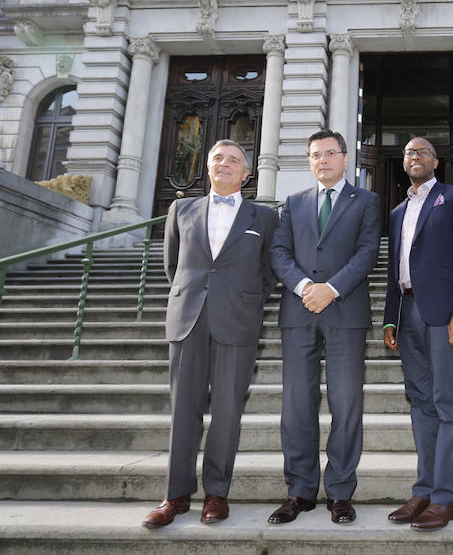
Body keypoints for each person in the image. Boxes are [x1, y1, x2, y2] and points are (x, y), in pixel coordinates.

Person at [142, 139, 279, 529]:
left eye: (234, 160)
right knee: (183, 409)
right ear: (207, 166)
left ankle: (216, 494)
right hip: (188, 319)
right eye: (218, 158)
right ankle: (175, 495)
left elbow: (269, 271)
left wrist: (245, 300)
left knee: (227, 411)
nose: (225, 164)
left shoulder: (265, 218)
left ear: (246, 174)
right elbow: (172, 265)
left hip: (237, 320)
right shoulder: (181, 209)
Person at [268, 129, 380, 525]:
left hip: (345, 311)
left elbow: (368, 252)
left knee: (346, 404)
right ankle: (299, 491)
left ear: (345, 158)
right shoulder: (293, 203)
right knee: (297, 404)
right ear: (309, 161)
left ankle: (340, 492)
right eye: (316, 154)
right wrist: (304, 287)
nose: (323, 160)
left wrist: (330, 289)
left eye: (330, 153)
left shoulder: (366, 201)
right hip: (299, 311)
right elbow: (278, 252)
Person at [382, 137, 453, 531]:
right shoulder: (397, 212)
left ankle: (445, 497)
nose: (415, 157)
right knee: (421, 403)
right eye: (409, 153)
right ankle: (423, 491)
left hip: (445, 315)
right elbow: (394, 271)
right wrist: (390, 319)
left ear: (436, 161)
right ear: (403, 163)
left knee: (447, 404)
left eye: (422, 151)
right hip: (408, 313)